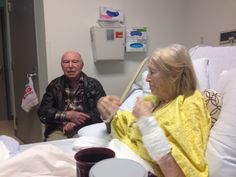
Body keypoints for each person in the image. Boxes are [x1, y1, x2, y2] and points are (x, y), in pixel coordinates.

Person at [97, 44, 211, 177]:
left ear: (174, 74)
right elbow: (123, 129)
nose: (147, 78)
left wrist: (147, 123)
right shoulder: (154, 100)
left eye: (152, 72)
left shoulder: (190, 103)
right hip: (118, 159)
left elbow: (184, 172)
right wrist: (107, 112)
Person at [38, 51, 106, 141]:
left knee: (81, 147)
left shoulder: (93, 84)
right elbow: (43, 112)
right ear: (62, 66)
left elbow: (101, 110)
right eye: (66, 62)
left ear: (82, 65)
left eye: (75, 62)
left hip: (86, 127)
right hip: (59, 128)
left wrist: (77, 121)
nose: (70, 66)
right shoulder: (54, 85)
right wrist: (66, 115)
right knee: (57, 149)